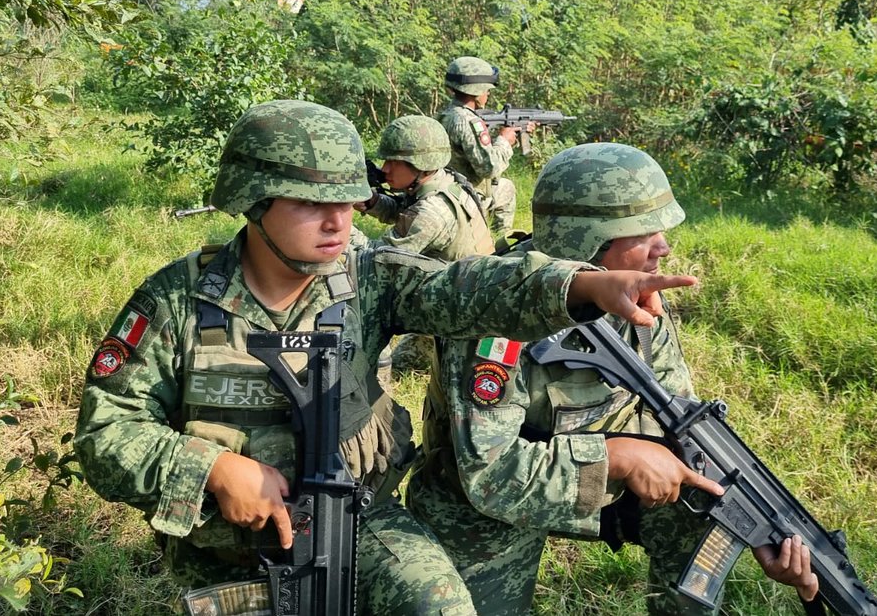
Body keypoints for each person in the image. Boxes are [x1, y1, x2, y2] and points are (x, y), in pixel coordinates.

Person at [74, 102, 691, 615]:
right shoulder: (176, 300)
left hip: (358, 520)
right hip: (225, 550)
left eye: (348, 201)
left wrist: (580, 286)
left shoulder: (368, 280)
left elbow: (468, 288)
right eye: (312, 204)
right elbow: (107, 433)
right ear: (254, 201)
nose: (339, 221)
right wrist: (213, 469)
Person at [406, 142, 821, 615]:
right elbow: (491, 478)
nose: (663, 246)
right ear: (585, 240)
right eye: (642, 232)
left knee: (700, 512)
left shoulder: (638, 303)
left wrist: (756, 525)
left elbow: (677, 420)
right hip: (481, 503)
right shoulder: (493, 311)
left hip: (596, 478)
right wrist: (618, 459)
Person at [357, 114, 494, 371]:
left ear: (422, 165)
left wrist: (341, 228)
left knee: (397, 363)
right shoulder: (444, 181)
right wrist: (372, 202)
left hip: (464, 313)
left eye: (394, 162)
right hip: (467, 289)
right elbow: (403, 211)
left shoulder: (433, 212)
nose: (385, 168)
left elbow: (376, 261)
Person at [438, 56, 525, 238]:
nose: (489, 93)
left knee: (503, 185)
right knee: (506, 188)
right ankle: (499, 239)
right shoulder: (469, 121)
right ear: (476, 91)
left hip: (447, 190)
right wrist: (504, 140)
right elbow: (489, 168)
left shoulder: (445, 115)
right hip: (466, 196)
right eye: (487, 89)